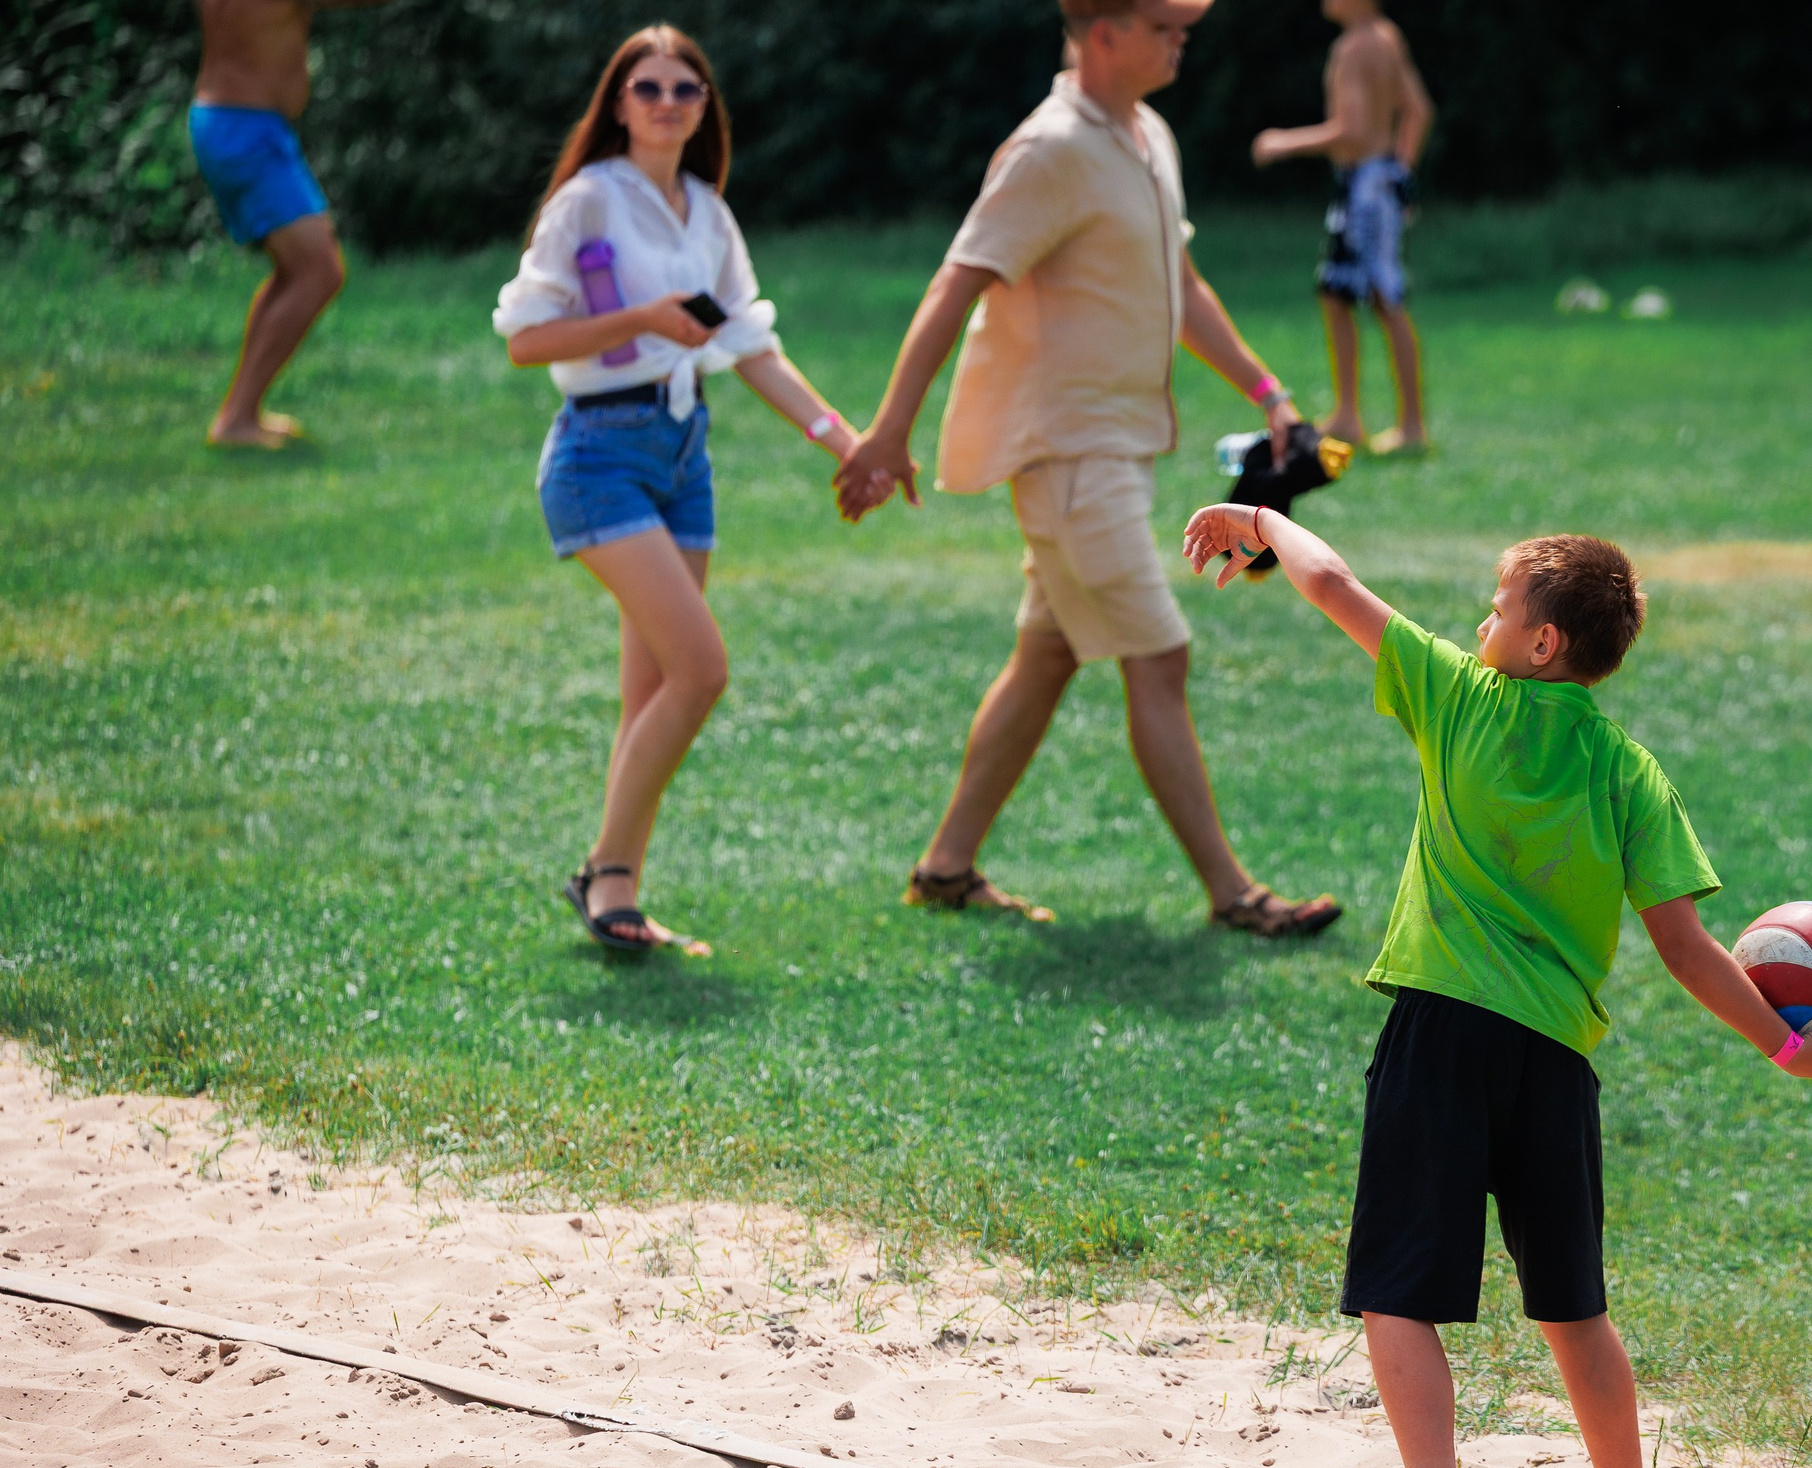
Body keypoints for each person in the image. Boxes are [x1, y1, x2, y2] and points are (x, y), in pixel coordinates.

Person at [1179, 503, 1812, 1468]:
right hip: (1554, 1061)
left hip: (1441, 1034)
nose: (1481, 622)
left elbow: (1332, 585)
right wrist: (1788, 1049)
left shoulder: (1462, 698)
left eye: (1497, 609)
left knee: (1396, 1294)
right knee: (1573, 1304)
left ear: (1540, 642)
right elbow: (1686, 950)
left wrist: (1267, 519)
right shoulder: (1630, 772)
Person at [833, 0, 1340, 937]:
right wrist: (889, 428)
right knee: (1162, 652)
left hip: (1116, 450)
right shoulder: (1049, 149)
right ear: (1102, 30)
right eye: (1165, 24)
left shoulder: (1147, 135)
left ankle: (944, 869)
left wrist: (1268, 392)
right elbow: (959, 279)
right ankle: (1234, 894)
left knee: (1048, 654)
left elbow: (1178, 287)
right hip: (1066, 456)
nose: (1183, 37)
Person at [493, 25, 874, 956]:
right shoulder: (586, 202)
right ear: (618, 102)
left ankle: (619, 891)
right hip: (598, 454)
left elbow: (753, 349)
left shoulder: (707, 212)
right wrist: (641, 318)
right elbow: (525, 338)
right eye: (649, 87)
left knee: (653, 688)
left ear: (706, 108)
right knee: (702, 670)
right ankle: (605, 874)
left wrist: (848, 442)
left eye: (686, 89)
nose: (668, 102)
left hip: (682, 454)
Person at [188, 0, 388, 449]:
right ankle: (235, 419)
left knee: (296, 271)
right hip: (247, 130)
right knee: (320, 272)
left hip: (231, 121)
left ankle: (242, 411)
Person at [1250, 0, 1432, 454]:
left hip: (1364, 188)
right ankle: (1350, 415)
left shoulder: (1353, 48)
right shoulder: (1387, 37)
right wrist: (1401, 176)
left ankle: (1409, 427)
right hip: (1378, 182)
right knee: (1337, 294)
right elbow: (1418, 110)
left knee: (1384, 299)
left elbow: (1350, 130)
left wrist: (1283, 142)